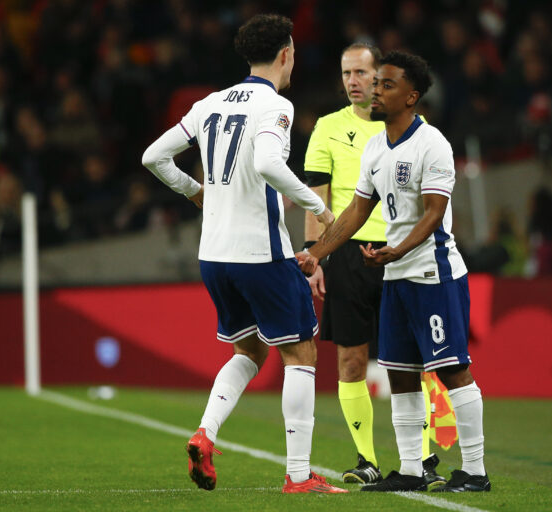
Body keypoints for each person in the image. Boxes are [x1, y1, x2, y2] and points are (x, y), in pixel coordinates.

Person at [141, 14, 345, 495]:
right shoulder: (276, 105)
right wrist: (321, 206)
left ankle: (204, 434)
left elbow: (153, 156)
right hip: (260, 252)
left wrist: (195, 193)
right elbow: (269, 162)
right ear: (286, 54)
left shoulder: (209, 103)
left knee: (249, 350)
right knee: (301, 351)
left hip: (213, 253)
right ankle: (298, 476)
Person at [298, 51, 490, 493]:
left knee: (453, 368)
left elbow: (433, 214)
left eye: (386, 84)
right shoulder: (375, 147)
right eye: (376, 83)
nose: (375, 91)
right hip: (396, 275)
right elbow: (355, 210)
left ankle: (476, 472)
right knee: (401, 373)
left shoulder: (433, 144)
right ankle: (409, 469)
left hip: (433, 274)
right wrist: (318, 253)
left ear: (412, 96)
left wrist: (395, 250)